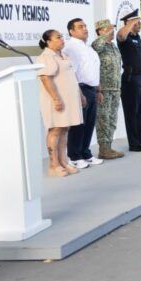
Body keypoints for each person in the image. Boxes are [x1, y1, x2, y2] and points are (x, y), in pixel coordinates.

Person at [37, 29, 85, 177]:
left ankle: (63, 161)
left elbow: (72, 77)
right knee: (55, 130)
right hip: (56, 100)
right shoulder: (46, 57)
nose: (62, 39)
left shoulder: (63, 55)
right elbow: (45, 78)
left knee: (65, 129)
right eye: (58, 37)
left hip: (69, 99)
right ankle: (53, 164)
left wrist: (80, 95)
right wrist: (56, 99)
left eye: (62, 37)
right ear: (48, 41)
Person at [63, 17, 103, 170]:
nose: (85, 29)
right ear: (71, 31)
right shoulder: (71, 47)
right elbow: (71, 72)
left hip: (92, 89)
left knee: (90, 123)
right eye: (80, 27)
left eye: (85, 26)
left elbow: (93, 70)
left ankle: (86, 153)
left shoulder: (88, 48)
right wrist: (79, 93)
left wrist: (98, 89)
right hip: (80, 89)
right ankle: (75, 156)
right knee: (79, 124)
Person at [117, 8, 141, 152]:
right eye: (137, 23)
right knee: (132, 112)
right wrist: (130, 24)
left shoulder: (139, 39)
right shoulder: (124, 38)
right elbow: (121, 35)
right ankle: (134, 143)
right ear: (129, 23)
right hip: (131, 79)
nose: (140, 25)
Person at [92, 19, 124, 160]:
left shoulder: (113, 46)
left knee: (112, 119)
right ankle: (103, 149)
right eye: (109, 28)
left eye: (112, 28)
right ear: (101, 31)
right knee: (103, 119)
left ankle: (108, 147)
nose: (113, 31)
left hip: (115, 88)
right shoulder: (98, 44)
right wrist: (105, 34)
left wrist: (119, 87)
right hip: (103, 89)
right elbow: (97, 45)